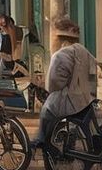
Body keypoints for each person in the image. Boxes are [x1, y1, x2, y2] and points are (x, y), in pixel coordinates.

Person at [33, 15, 98, 151]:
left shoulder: (61, 55)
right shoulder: (84, 51)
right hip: (87, 99)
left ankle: (42, 139)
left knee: (47, 108)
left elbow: (55, 83)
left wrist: (42, 84)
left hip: (71, 100)